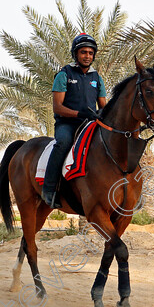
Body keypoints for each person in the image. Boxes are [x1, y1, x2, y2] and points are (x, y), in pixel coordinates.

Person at [41, 33, 107, 208]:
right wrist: (79, 114)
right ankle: (49, 190)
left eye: (91, 53)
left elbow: (103, 106)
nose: (87, 56)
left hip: (89, 123)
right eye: (83, 52)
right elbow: (58, 107)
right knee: (63, 142)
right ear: (76, 54)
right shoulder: (64, 74)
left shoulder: (97, 78)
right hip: (67, 124)